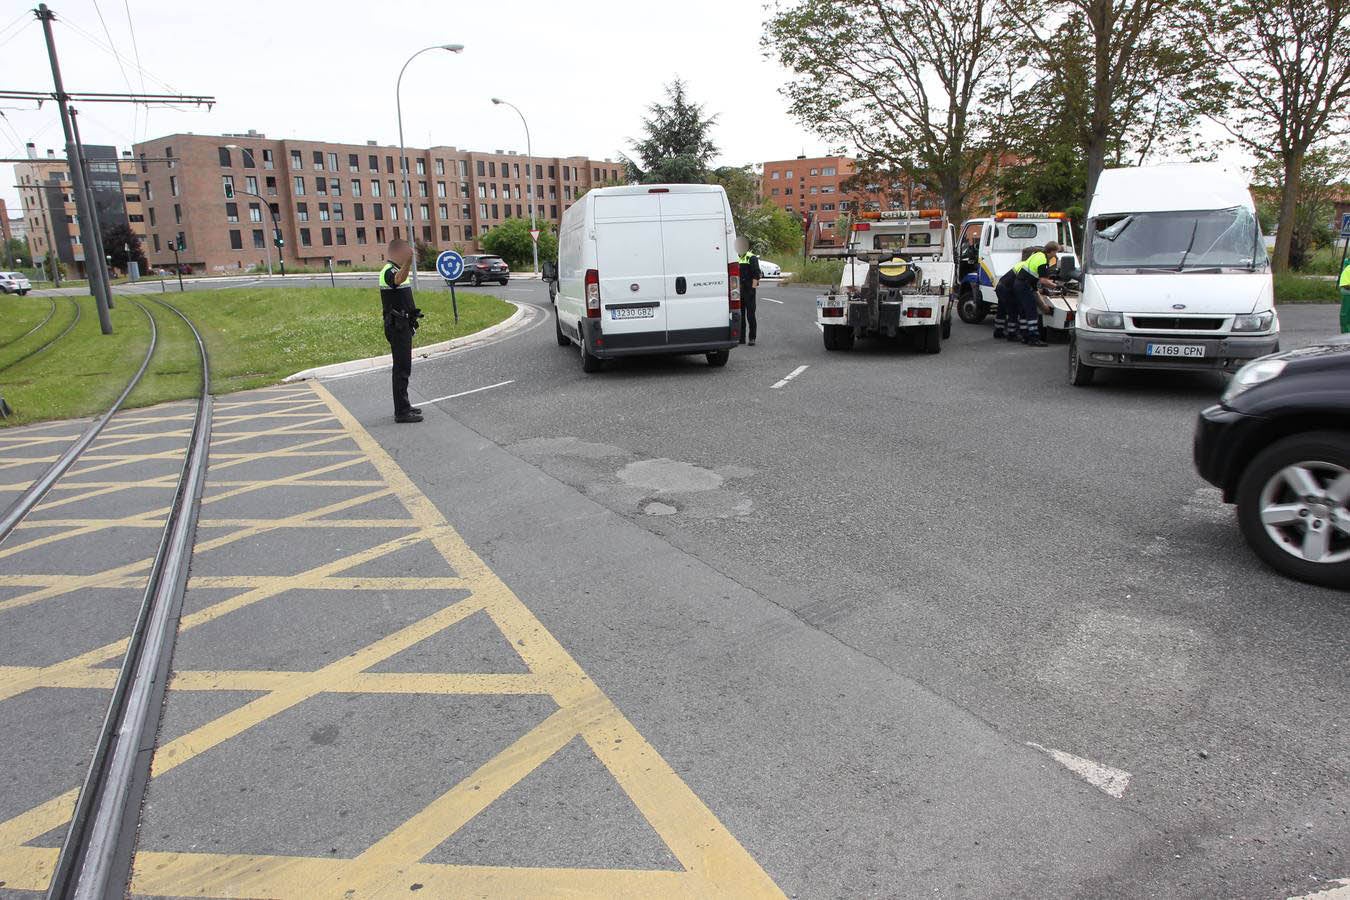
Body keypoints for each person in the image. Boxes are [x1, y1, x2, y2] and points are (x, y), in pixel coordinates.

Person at [379, 239, 423, 423]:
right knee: (401, 368)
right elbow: (398, 281)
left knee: (404, 367)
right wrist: (408, 261)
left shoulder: (396, 269)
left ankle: (405, 405)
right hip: (396, 326)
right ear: (397, 252)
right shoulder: (389, 271)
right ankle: (402, 412)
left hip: (402, 325)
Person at [1015, 240, 1059, 347]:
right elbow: (1043, 280)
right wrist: (1057, 286)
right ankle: (1034, 338)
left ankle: (1025, 336)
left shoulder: (1037, 254)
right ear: (1052, 252)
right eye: (1056, 252)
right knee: (1032, 312)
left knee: (1024, 312)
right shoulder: (1043, 260)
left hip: (1019, 284)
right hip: (1025, 286)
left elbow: (1035, 276)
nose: (1056, 255)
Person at [994, 246, 1040, 341]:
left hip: (1001, 286)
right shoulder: (1026, 266)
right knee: (1015, 310)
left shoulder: (1020, 264)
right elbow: (1021, 283)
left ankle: (998, 331)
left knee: (1002, 310)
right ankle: (1012, 334)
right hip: (1007, 289)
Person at [736, 236, 762, 346]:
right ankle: (741, 338)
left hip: (749, 291)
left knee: (750, 315)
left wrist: (753, 289)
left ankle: (752, 338)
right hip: (738, 291)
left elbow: (757, 274)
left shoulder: (751, 258)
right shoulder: (736, 257)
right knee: (740, 316)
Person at [1340, 257, 1350, 334]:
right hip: (1347, 290)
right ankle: (1346, 332)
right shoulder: (1348, 268)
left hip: (1346, 289)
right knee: (1346, 313)